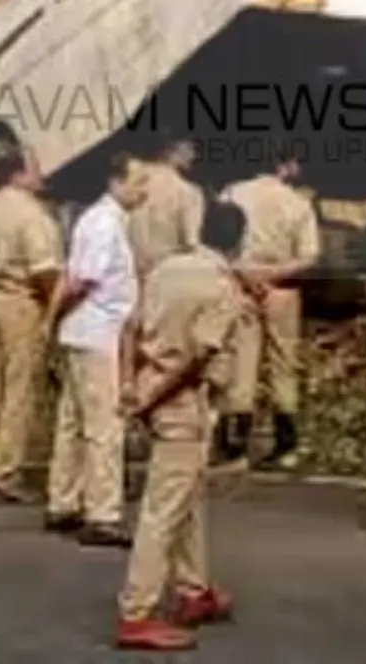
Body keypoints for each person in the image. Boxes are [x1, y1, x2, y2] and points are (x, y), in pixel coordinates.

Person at [113, 201, 249, 651]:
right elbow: (198, 358)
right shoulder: (223, 287)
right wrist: (155, 396)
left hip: (153, 381)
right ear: (239, 242)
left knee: (188, 496)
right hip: (181, 398)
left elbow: (129, 329)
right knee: (163, 509)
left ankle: (194, 588)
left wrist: (132, 384)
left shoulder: (165, 268)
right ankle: (137, 611)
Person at [46, 152, 151, 547]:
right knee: (104, 427)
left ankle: (64, 499)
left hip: (85, 332)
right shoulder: (105, 223)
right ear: (116, 182)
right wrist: (57, 317)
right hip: (99, 333)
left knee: (72, 423)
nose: (143, 192)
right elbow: (82, 281)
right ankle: (102, 511)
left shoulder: (100, 220)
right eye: (138, 182)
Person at [217, 145, 322, 470]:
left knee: (241, 360)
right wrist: (273, 274)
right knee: (283, 361)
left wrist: (249, 275)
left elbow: (216, 240)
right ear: (287, 166)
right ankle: (285, 444)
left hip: (241, 284)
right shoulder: (298, 204)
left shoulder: (232, 194)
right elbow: (310, 256)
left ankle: (235, 444)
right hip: (282, 289)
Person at [0, 149, 62, 503]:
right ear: (18, 174)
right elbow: (44, 271)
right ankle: (5, 472)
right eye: (35, 170)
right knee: (19, 393)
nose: (42, 176)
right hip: (24, 302)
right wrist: (55, 311)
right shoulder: (33, 216)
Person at [128, 136, 205, 283]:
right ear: (171, 149)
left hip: (128, 279)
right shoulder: (187, 193)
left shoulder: (129, 186)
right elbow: (191, 244)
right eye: (190, 148)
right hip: (166, 282)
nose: (194, 155)